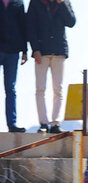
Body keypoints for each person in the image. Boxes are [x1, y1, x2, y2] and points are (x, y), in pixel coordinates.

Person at [26, 0, 76, 134]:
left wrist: (62, 4)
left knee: (58, 89)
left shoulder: (64, 2)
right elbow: (30, 26)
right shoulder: (35, 2)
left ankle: (55, 123)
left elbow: (71, 22)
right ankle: (43, 123)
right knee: (40, 89)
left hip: (59, 50)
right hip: (41, 52)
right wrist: (35, 49)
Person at [0, 0, 28, 133]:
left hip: (13, 51)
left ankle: (12, 124)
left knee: (10, 88)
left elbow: (23, 26)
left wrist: (25, 50)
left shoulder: (19, 3)